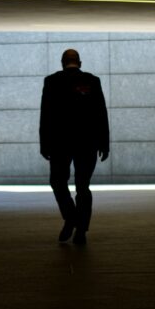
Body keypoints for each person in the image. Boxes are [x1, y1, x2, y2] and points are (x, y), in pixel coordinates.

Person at [39, 49, 109, 245]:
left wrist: (44, 144)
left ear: (62, 63)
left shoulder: (51, 81)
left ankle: (70, 217)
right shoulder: (92, 81)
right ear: (80, 62)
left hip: (59, 143)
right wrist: (104, 143)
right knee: (83, 187)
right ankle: (81, 230)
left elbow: (46, 115)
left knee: (58, 182)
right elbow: (100, 113)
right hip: (87, 142)